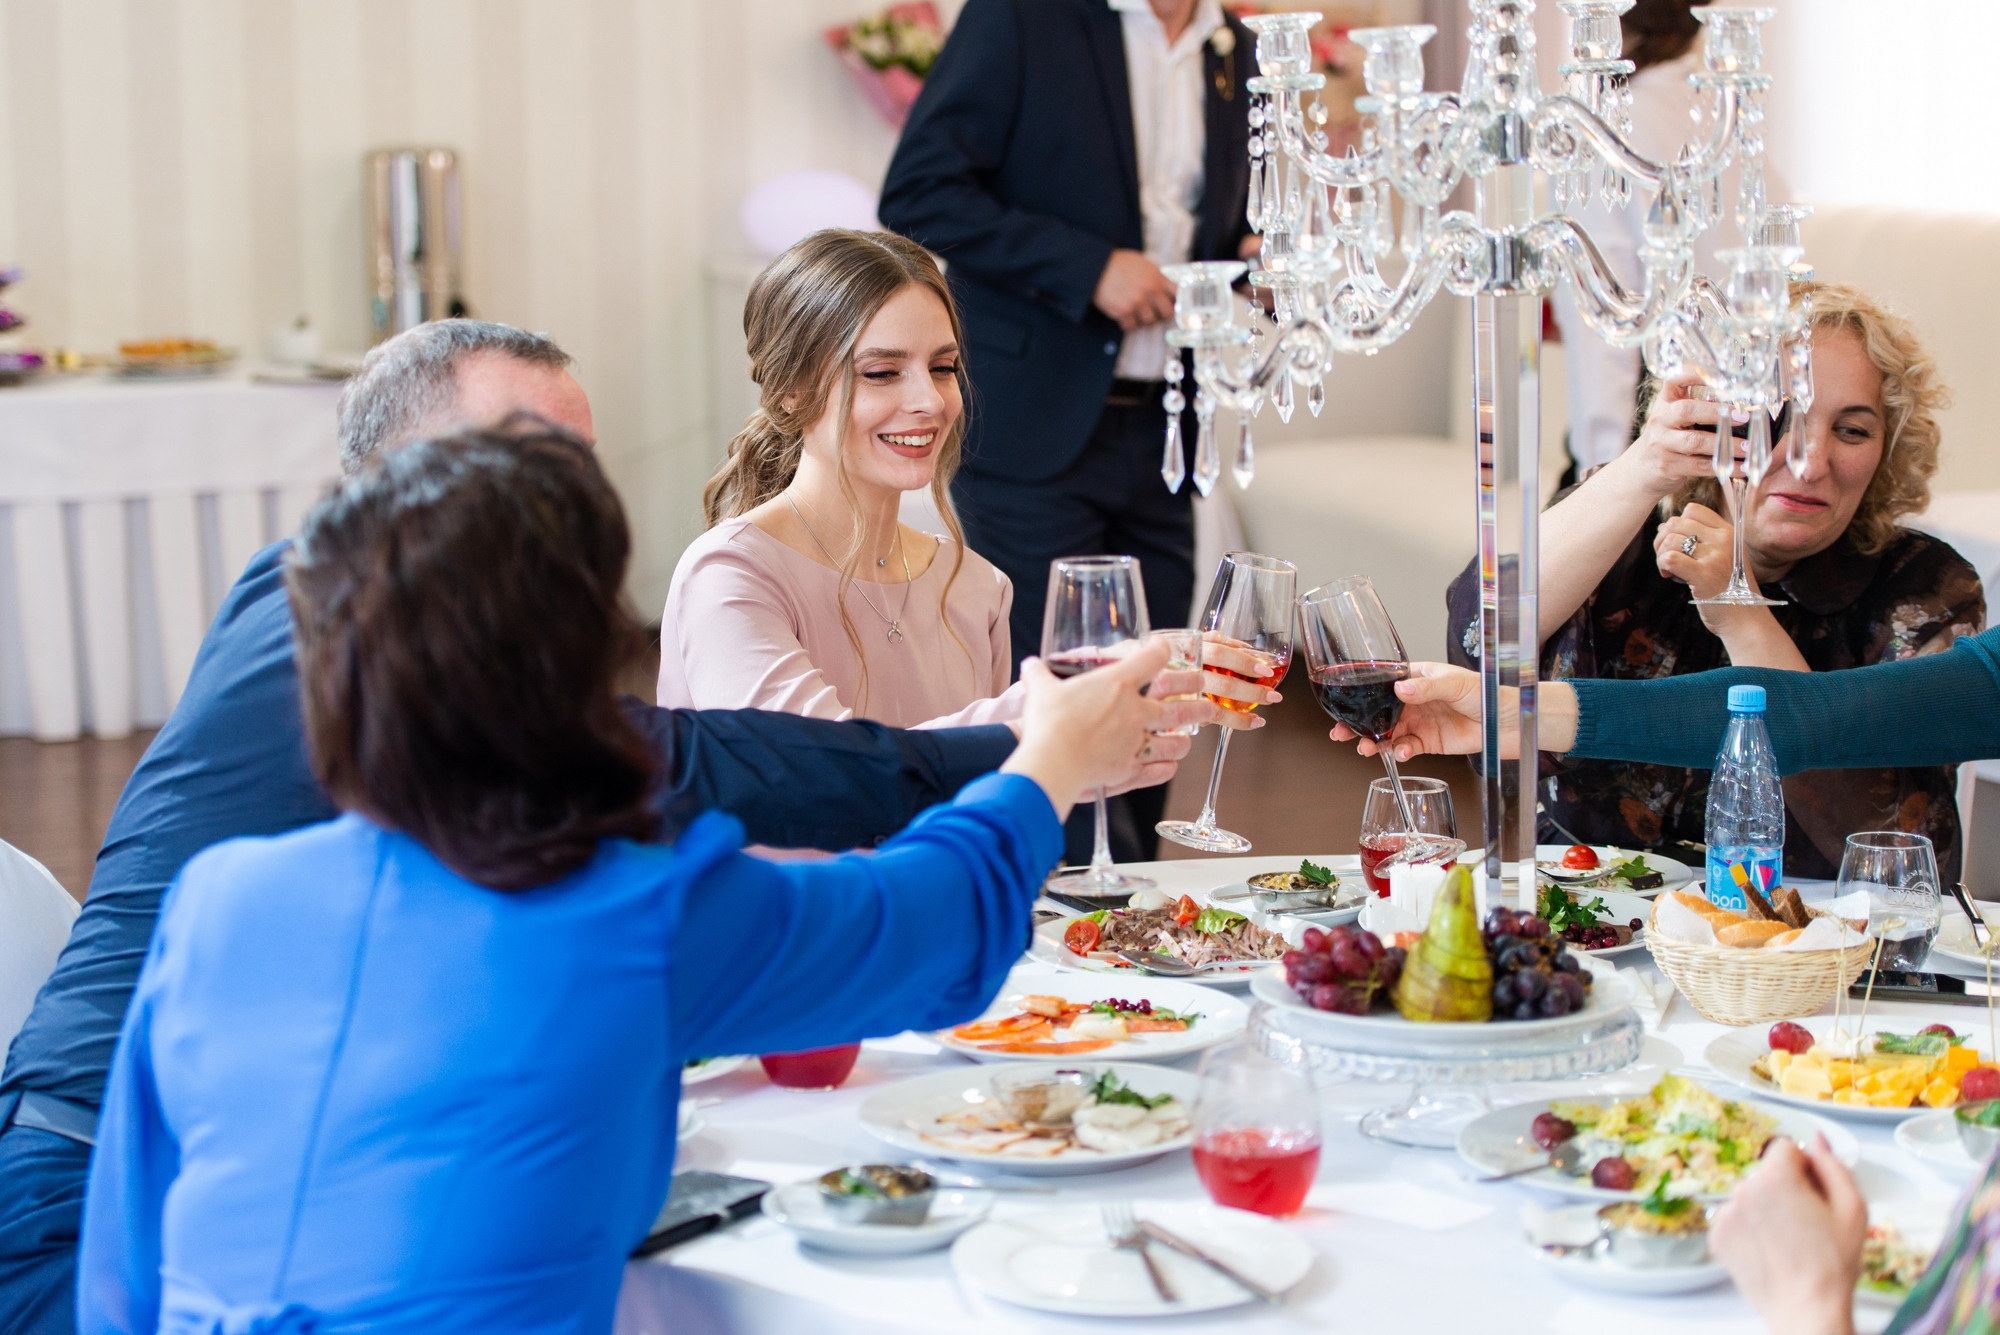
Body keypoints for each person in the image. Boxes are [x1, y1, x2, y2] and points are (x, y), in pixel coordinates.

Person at [0, 319, 1197, 1335]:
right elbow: (925, 923)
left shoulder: (227, 898)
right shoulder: (633, 914)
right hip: (48, 1209)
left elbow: (134, 1274)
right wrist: (1042, 760)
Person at [878, 0, 1259, 856]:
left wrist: (1257, 260)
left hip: (1169, 425)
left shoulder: (1237, 46)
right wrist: (1089, 269)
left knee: (1153, 693)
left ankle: (1130, 903)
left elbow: (1221, 226)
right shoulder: (1021, 17)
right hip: (1033, 423)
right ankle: (1044, 901)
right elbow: (918, 193)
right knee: (1054, 691)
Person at [1447, 283, 1983, 881]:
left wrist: (1743, 615)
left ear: (1887, 450)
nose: (1810, 462)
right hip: (1588, 906)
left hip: (1800, 930)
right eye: (1778, 418)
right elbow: (1477, 647)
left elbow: (1903, 857)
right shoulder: (1623, 516)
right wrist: (1645, 464)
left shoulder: (1925, 586)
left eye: (1852, 431)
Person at [661, 229, 1273, 733]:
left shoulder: (976, 587)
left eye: (943, 367)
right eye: (881, 373)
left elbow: (989, 799)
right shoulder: (732, 577)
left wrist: (1138, 711)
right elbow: (833, 776)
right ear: (791, 393)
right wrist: (1068, 702)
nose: (930, 401)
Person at [1550, 0, 1793, 476]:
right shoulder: (1726, 118)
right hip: (1751, 418)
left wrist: (1599, 469)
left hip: (1659, 423)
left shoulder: (1609, 129)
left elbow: (1606, 324)